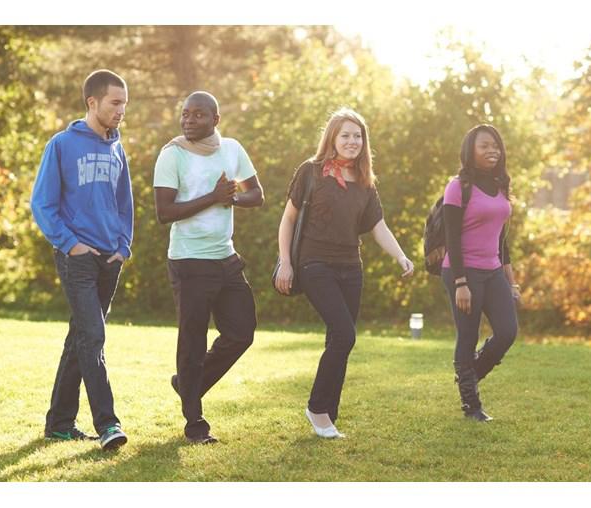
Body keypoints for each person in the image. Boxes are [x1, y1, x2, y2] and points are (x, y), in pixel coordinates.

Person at [275, 108, 414, 439]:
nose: (352, 141)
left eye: (358, 136)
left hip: (351, 267)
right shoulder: (311, 172)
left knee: (339, 339)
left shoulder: (365, 182)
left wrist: (401, 256)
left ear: (364, 142)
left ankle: (327, 416)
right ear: (332, 138)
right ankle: (317, 409)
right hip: (314, 263)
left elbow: (377, 227)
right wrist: (285, 262)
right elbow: (288, 219)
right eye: (345, 135)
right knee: (345, 334)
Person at [153, 91, 264, 444]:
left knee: (241, 332)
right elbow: (164, 212)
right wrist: (213, 199)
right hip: (189, 260)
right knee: (192, 341)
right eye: (185, 114)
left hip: (225, 257)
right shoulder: (172, 154)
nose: (188, 120)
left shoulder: (232, 149)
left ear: (215, 119)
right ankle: (195, 424)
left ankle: (189, 384)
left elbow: (256, 195)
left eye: (198, 115)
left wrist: (232, 198)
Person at [31, 69, 133, 450]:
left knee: (80, 337)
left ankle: (59, 422)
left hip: (110, 258)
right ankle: (108, 424)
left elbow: (125, 203)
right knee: (93, 335)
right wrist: (70, 244)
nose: (122, 110)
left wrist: (123, 247)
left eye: (124, 102)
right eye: (115, 102)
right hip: (77, 259)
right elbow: (42, 203)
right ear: (93, 102)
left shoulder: (117, 147)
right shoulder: (61, 144)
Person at [440, 124, 521, 422]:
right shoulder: (457, 187)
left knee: (507, 331)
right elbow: (452, 237)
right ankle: (471, 406)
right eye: (485, 145)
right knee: (468, 335)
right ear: (470, 151)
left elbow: (501, 239)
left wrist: (511, 280)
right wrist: (461, 282)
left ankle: (468, 375)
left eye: (496, 145)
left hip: (492, 271)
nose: (492, 150)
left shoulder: (500, 187)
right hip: (463, 272)